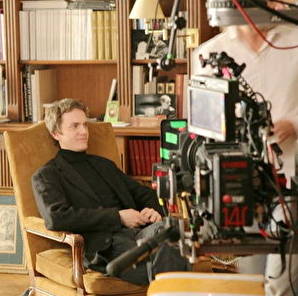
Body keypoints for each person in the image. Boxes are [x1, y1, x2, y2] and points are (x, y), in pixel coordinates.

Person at [192, 0, 298, 296]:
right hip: (238, 185)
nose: (280, 3)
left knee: (282, 285)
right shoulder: (208, 54)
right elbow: (201, 125)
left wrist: (295, 125)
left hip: (296, 179)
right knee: (253, 285)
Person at [31, 98, 189, 285]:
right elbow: (56, 217)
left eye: (85, 125)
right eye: (75, 126)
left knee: (171, 232)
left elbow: (144, 193)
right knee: (169, 260)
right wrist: (118, 217)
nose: (84, 131)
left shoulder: (104, 165)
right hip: (105, 246)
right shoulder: (47, 175)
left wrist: (153, 211)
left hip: (141, 232)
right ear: (56, 133)